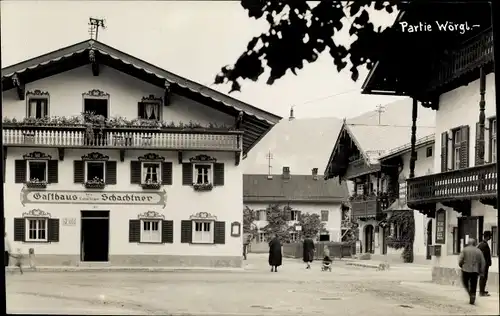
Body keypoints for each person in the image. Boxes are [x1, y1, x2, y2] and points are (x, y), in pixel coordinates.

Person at [458, 238, 486, 305]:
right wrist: (482, 271)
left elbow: (460, 259)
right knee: (474, 284)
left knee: (465, 282)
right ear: (475, 243)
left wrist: (461, 265)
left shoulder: (465, 250)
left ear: (468, 243)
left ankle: (470, 293)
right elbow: (483, 262)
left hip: (465, 270)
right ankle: (473, 295)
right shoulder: (478, 251)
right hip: (475, 271)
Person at [477, 231, 492, 296]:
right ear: (487, 236)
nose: (491, 237)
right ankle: (481, 292)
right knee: (483, 277)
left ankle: (482, 291)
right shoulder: (484, 245)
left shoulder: (481, 244)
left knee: (483, 277)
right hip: (484, 265)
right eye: (490, 236)